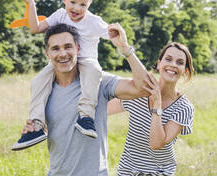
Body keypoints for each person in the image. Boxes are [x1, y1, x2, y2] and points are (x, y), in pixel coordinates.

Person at [18, 23, 149, 175]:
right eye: (55, 49)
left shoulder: (98, 82)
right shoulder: (44, 90)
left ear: (78, 49)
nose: (62, 54)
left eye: (68, 46)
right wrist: (35, 128)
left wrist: (125, 48)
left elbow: (143, 88)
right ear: (48, 53)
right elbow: (56, 128)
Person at [12, 0, 109, 150]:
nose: (76, 9)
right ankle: (36, 125)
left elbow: (112, 34)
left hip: (85, 60)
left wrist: (118, 35)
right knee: (38, 81)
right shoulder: (60, 15)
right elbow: (36, 28)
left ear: (90, 3)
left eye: (83, 5)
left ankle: (85, 117)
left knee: (94, 70)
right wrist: (30, 3)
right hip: (62, 61)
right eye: (72, 2)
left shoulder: (94, 21)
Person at [108, 42, 195, 176]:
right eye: (168, 59)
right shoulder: (138, 92)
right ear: (159, 64)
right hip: (127, 172)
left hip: (159, 173)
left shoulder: (184, 108)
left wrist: (157, 104)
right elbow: (104, 110)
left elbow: (156, 143)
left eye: (179, 62)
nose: (173, 64)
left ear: (185, 71)